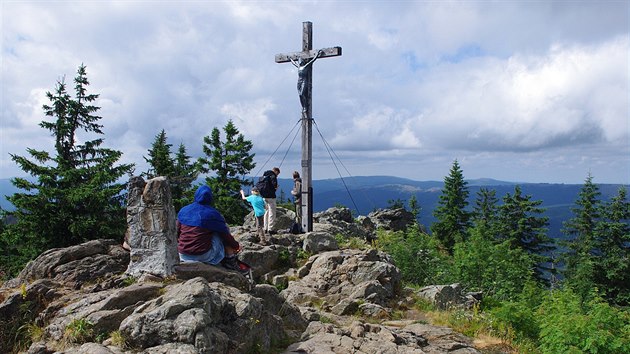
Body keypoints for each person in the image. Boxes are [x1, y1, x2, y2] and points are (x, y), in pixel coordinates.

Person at [177, 185, 245, 273]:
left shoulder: (184, 210)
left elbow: (177, 231)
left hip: (182, 254)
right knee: (221, 230)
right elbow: (225, 235)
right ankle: (230, 260)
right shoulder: (213, 214)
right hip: (203, 255)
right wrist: (236, 246)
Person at [260, 167, 280, 234]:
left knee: (266, 212)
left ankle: (265, 228)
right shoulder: (273, 176)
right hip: (271, 197)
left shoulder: (264, 175)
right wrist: (276, 188)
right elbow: (274, 186)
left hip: (264, 196)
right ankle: (270, 229)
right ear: (276, 171)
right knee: (272, 212)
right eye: (278, 173)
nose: (277, 175)